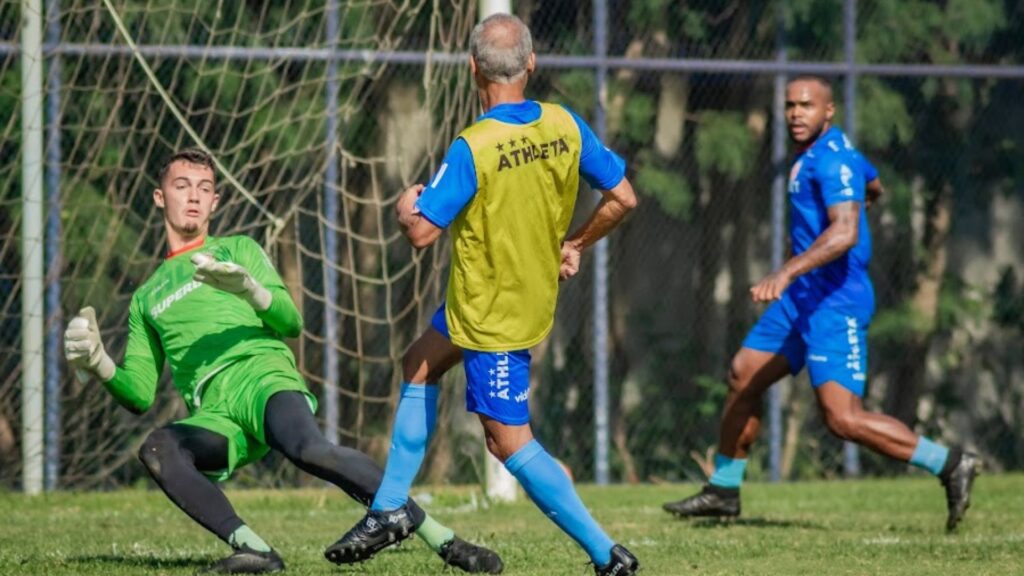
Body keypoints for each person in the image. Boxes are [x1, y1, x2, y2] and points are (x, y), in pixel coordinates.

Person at [63, 148, 504, 574]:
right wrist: (100, 362)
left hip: (263, 380)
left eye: (204, 188)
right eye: (182, 186)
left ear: (216, 200)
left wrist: (250, 291)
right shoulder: (146, 297)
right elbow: (139, 395)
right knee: (157, 448)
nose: (194, 196)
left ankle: (443, 539)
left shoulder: (236, 249)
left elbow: (290, 321)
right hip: (216, 415)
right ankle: (253, 551)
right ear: (161, 197)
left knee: (310, 450)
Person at [325, 13, 640, 576]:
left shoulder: (476, 145)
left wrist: (406, 206)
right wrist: (577, 243)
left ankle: (606, 554)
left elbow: (422, 232)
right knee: (418, 362)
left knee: (509, 443)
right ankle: (390, 509)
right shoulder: (565, 125)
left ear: (472, 69)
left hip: (494, 316)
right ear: (531, 63)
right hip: (506, 301)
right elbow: (622, 197)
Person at [662, 75, 979, 531]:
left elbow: (846, 231)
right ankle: (724, 490)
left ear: (828, 111)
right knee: (742, 375)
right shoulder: (824, 155)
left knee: (842, 419)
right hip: (804, 298)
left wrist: (787, 269)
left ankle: (950, 463)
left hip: (835, 302)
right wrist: (858, 202)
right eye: (790, 105)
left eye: (807, 106)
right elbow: (873, 184)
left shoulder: (833, 160)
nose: (796, 113)